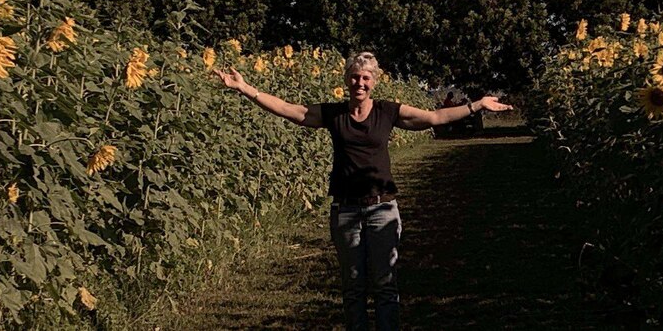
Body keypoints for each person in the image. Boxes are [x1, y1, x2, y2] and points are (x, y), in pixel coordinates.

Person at [213, 51, 513, 331]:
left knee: (385, 284)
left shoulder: (387, 112)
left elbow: (434, 118)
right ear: (347, 80)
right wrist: (246, 89)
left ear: (374, 82)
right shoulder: (334, 114)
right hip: (345, 211)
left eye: (366, 78)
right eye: (355, 77)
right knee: (353, 287)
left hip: (382, 209)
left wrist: (477, 105)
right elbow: (293, 111)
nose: (360, 82)